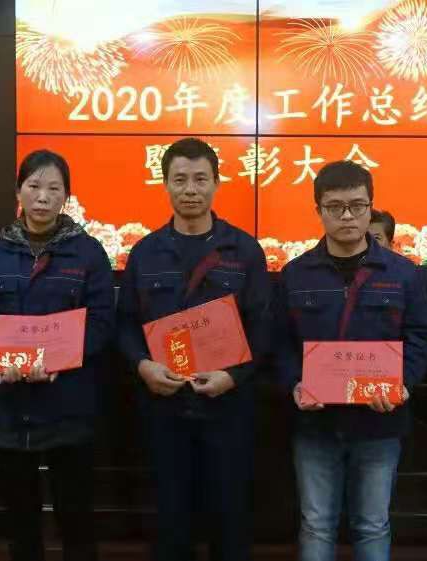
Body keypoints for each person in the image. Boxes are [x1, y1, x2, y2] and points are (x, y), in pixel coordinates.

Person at [116, 137, 271, 561]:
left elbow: (263, 328)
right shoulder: (145, 252)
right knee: (170, 520)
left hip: (227, 407)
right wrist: (142, 366)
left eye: (201, 179)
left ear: (217, 184)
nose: (190, 189)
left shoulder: (244, 250)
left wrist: (232, 377)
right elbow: (125, 324)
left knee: (230, 519)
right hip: (164, 408)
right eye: (180, 179)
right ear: (165, 183)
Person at [275, 160, 427, 560]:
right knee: (316, 524)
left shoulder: (404, 274)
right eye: (335, 207)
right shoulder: (295, 274)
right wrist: (294, 383)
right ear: (318, 210)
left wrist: (403, 383)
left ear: (370, 207)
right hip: (315, 424)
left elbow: (420, 336)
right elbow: (279, 342)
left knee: (372, 524)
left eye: (357, 206)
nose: (347, 216)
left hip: (379, 422)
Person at [0, 149, 115, 561]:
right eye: (33, 186)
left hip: (68, 405)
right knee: (20, 522)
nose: (43, 197)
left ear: (67, 196)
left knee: (76, 517)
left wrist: (60, 359)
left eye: (53, 188)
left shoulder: (88, 253)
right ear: (18, 192)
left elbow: (102, 323)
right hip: (7, 407)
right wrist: (0, 361)